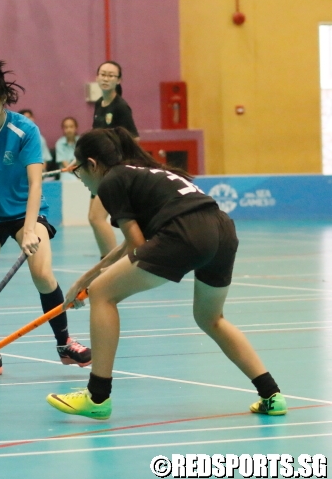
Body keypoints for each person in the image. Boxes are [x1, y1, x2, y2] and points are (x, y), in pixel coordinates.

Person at [46, 127, 286, 419]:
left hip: (186, 232)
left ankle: (97, 397)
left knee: (102, 294)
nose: (79, 178)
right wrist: (86, 278)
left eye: (78, 170)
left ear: (93, 164)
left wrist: (94, 284)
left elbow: (138, 245)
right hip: (221, 230)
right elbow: (131, 246)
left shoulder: (112, 180)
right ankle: (271, 394)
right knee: (211, 318)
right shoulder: (144, 173)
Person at [0, 61, 91, 379]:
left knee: (41, 272)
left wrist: (28, 230)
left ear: (3, 100)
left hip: (26, 210)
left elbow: (36, 184)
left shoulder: (24, 130)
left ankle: (65, 342)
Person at [88, 61, 140, 259]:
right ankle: (107, 260)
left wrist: (120, 166)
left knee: (98, 218)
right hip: (99, 170)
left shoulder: (121, 107)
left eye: (111, 75)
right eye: (103, 74)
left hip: (114, 171)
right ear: (97, 76)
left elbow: (133, 140)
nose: (106, 78)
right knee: (94, 218)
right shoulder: (99, 104)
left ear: (119, 80)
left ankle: (112, 263)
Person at [54, 117, 80, 182]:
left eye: (71, 127)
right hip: (67, 172)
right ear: (63, 129)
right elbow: (67, 166)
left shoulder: (81, 141)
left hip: (80, 170)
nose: (69, 129)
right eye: (66, 127)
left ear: (76, 127)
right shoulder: (59, 143)